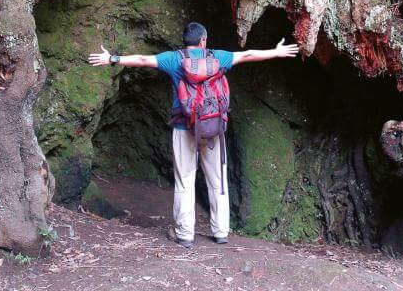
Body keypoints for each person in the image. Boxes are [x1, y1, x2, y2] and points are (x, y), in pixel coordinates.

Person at [88, 21, 299, 247]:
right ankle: (220, 232)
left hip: (184, 127)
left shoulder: (174, 59)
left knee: (185, 180)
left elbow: (142, 60)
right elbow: (247, 55)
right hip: (213, 128)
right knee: (217, 180)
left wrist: (112, 58)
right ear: (203, 40)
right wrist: (276, 52)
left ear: (185, 41)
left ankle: (185, 234)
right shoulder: (218, 57)